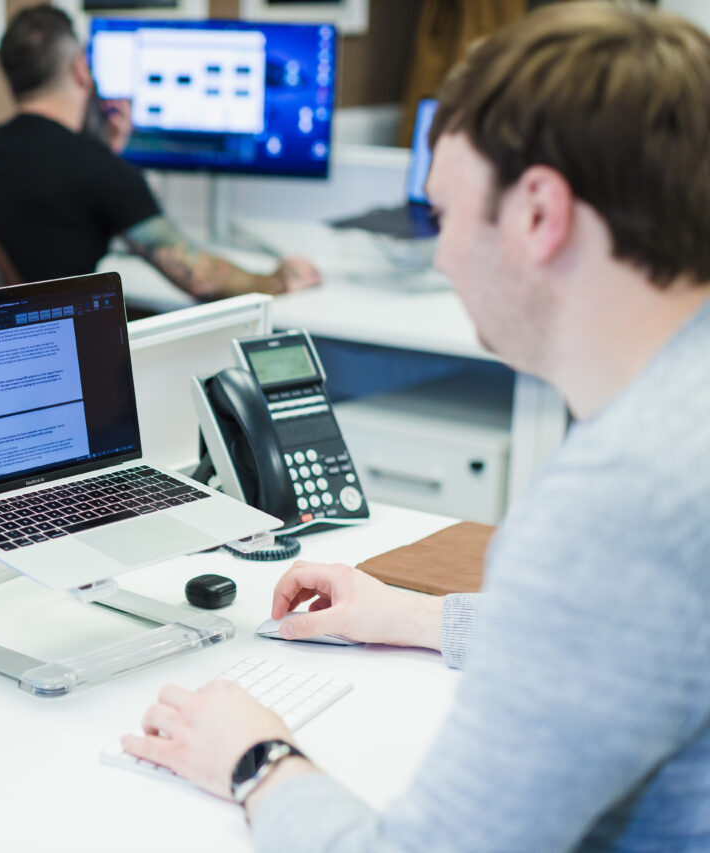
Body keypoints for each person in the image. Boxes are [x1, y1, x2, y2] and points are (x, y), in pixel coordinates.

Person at [122, 4, 710, 850]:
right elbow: (643, 642)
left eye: (445, 218)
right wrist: (415, 616)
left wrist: (255, 758)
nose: (439, 256)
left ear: (539, 213)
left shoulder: (623, 499)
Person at [0, 4, 320, 301]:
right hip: (63, 355)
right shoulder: (98, 171)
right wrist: (278, 280)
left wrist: (108, 154)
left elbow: (49, 228)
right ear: (80, 70)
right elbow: (201, 279)